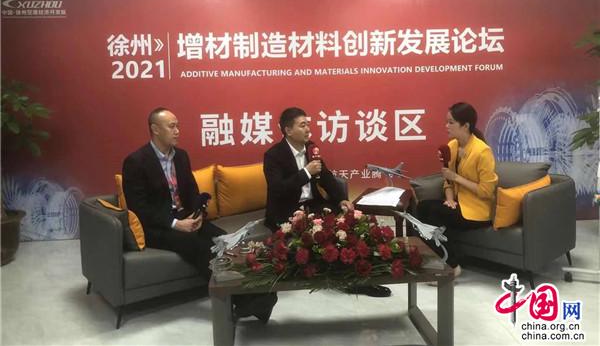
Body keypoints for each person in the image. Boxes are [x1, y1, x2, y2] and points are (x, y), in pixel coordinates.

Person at [123, 107, 277, 322]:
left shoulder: (181, 156)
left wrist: (198, 214)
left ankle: (259, 293)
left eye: (178, 126)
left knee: (224, 239)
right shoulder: (136, 162)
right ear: (155, 129)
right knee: (201, 248)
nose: (177, 131)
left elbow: (191, 192)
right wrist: (176, 224)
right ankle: (243, 301)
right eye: (172, 126)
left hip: (186, 218)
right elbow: (140, 208)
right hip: (158, 227)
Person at [263, 107, 391, 297]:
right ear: (288, 130)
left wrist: (341, 199)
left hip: (313, 204)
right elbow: (277, 189)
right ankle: (341, 278)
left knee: (348, 227)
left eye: (308, 124)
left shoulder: (311, 149)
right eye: (302, 125)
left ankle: (361, 276)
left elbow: (327, 178)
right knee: (320, 238)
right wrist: (306, 172)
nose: (308, 129)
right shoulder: (273, 155)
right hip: (287, 210)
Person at [417, 102, 498, 278]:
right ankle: (444, 259)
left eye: (451, 122)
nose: (446, 126)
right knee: (420, 208)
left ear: (465, 126)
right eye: (446, 122)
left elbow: (486, 191)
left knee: (432, 213)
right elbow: (447, 181)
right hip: (457, 204)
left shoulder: (483, 151)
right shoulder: (452, 146)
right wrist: (449, 199)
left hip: (477, 211)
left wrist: (457, 178)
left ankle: (451, 265)